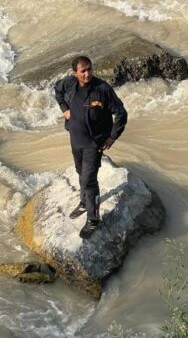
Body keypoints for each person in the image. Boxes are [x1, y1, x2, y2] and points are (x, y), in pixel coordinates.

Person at [54, 55, 128, 239]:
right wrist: (65, 109)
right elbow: (57, 90)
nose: (87, 74)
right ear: (75, 73)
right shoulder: (69, 84)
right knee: (81, 173)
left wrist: (112, 137)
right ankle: (84, 202)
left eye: (89, 69)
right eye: (83, 71)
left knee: (89, 180)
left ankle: (93, 218)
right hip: (75, 140)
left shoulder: (102, 89)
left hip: (93, 144)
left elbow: (121, 113)